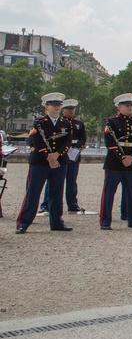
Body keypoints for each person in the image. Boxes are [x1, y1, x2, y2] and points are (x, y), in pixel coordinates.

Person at [15, 92, 73, 233]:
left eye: (59, 105)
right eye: (53, 105)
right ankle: (24, 223)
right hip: (40, 162)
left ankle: (56, 222)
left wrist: (57, 154)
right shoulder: (39, 122)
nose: (57, 107)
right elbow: (37, 141)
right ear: (46, 107)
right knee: (33, 192)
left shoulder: (65, 123)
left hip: (59, 161)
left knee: (56, 193)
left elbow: (67, 141)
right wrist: (49, 157)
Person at [99, 93, 132, 230]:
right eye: (127, 105)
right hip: (114, 162)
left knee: (131, 194)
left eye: (131, 105)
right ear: (119, 107)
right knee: (109, 193)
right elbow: (110, 143)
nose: (130, 107)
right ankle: (105, 221)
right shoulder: (111, 122)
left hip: (131, 163)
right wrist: (122, 158)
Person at [60, 99, 87, 213]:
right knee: (56, 180)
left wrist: (77, 148)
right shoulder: (59, 122)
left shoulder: (79, 124)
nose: (71, 111)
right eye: (68, 109)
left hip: (74, 153)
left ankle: (72, 204)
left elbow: (83, 138)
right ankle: (47, 204)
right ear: (63, 110)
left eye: (72, 109)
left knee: (72, 181)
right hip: (62, 153)